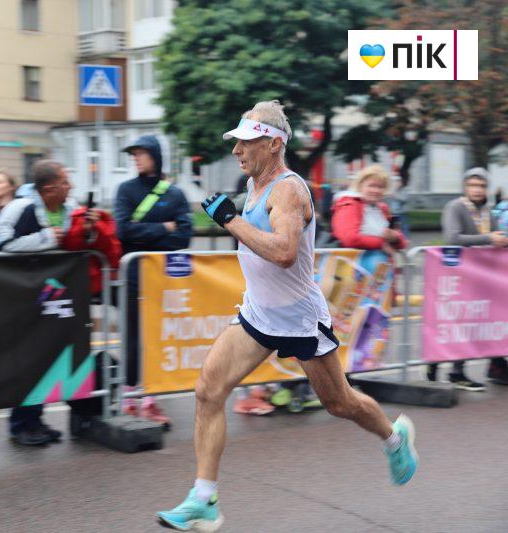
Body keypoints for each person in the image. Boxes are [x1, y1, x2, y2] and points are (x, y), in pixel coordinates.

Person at [156, 101, 417, 531]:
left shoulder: (289, 190)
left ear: (274, 144)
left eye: (246, 143)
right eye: (236, 144)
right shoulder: (254, 185)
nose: (237, 152)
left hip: (299, 319)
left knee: (340, 403)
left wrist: (231, 221)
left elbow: (283, 252)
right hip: (259, 315)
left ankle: (394, 438)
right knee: (207, 391)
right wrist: (236, 219)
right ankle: (204, 499)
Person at [0, 159, 121, 445]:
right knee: (29, 360)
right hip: (25, 299)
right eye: (64, 182)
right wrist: (45, 238)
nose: (70, 186)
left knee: (52, 358)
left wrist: (88, 231)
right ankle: (21, 424)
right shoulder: (19, 209)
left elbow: (79, 245)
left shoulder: (71, 207)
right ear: (49, 188)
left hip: (60, 298)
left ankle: (37, 420)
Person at [114, 135, 192, 427]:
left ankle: (150, 399)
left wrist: (145, 231)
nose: (136, 158)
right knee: (134, 337)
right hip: (134, 276)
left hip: (163, 277)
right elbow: (122, 231)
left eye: (141, 153)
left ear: (156, 157)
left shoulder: (175, 194)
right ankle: (128, 397)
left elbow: (184, 236)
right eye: (133, 154)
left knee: (158, 337)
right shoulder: (125, 190)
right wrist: (163, 227)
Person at [430, 168, 508, 388]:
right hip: (458, 275)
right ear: (465, 187)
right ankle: (452, 370)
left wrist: (500, 241)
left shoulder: (488, 212)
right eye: (473, 185)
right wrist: (489, 238)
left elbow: (493, 238)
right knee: (458, 323)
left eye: (481, 186)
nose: (477, 190)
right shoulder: (455, 207)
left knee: (481, 322)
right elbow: (452, 237)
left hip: (483, 277)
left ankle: (495, 364)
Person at [331, 165, 408, 259]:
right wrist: (382, 244)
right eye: (371, 185)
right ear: (360, 186)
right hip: (354, 264)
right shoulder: (349, 205)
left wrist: (395, 237)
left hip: (382, 263)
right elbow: (349, 239)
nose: (376, 190)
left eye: (380, 187)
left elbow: (402, 240)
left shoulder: (382, 208)